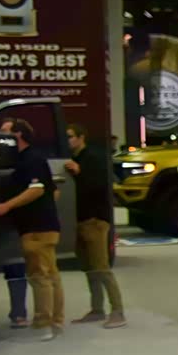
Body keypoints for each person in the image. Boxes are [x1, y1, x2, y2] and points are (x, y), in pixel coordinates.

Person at [0, 118, 64, 339]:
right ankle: (56, 320)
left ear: (18, 134)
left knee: (39, 276)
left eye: (5, 132)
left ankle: (44, 323)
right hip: (42, 225)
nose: (0, 137)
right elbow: (53, 191)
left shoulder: (31, 159)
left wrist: (7, 206)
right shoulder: (27, 160)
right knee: (51, 274)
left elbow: (37, 189)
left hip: (36, 227)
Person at [64, 123, 126, 327]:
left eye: (70, 136)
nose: (68, 140)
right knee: (89, 268)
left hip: (95, 220)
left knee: (101, 267)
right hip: (80, 220)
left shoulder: (93, 158)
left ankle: (117, 311)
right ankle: (97, 309)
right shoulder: (74, 159)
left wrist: (79, 172)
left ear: (81, 137)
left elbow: (98, 186)